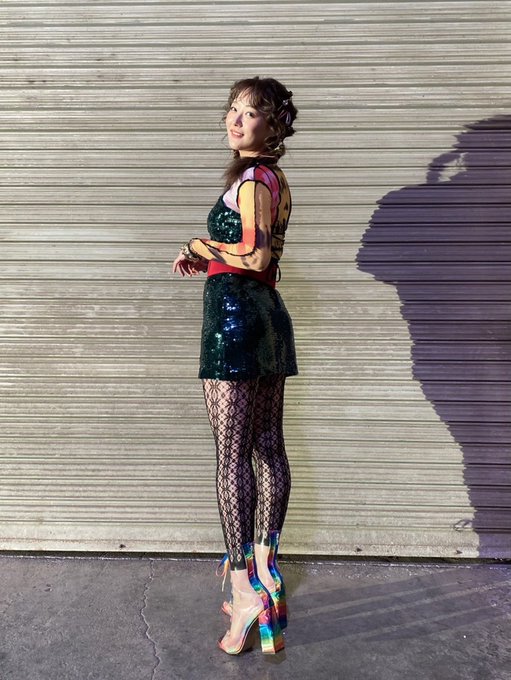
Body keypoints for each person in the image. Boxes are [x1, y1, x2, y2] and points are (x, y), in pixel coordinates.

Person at [172, 76, 298, 655]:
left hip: (235, 322)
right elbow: (260, 260)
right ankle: (268, 571)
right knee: (267, 446)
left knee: (231, 457)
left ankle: (247, 590)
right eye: (233, 109)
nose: (235, 119)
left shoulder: (251, 181)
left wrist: (199, 247)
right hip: (265, 315)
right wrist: (214, 260)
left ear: (272, 125)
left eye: (250, 112)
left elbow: (254, 253)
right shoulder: (274, 180)